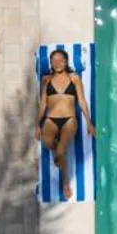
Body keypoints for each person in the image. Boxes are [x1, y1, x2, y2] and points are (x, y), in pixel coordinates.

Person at [36, 48, 95, 199]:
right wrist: (37, 124)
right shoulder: (46, 80)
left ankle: (65, 182)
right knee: (46, 142)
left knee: (61, 151)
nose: (57, 63)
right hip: (51, 119)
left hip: (69, 120)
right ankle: (58, 153)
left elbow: (81, 100)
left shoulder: (74, 78)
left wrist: (89, 122)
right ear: (51, 63)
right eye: (53, 60)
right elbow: (43, 103)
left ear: (66, 61)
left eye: (60, 59)